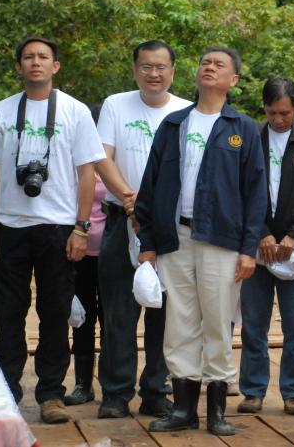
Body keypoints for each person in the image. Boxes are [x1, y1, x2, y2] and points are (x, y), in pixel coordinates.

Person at [135, 45, 266, 436]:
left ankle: (217, 411)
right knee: (180, 323)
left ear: (233, 79)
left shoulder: (242, 128)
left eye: (219, 64)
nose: (209, 67)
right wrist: (148, 240)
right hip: (176, 238)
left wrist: (248, 249)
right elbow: (150, 185)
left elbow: (256, 193)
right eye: (205, 62)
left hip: (222, 240)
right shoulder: (174, 124)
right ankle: (183, 409)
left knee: (218, 322)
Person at [0, 36, 105, 423]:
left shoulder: (74, 111)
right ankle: (7, 392)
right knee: (8, 313)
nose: (36, 62)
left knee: (55, 312)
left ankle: (51, 394)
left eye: (43, 57)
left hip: (58, 226)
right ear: (18, 66)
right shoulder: (0, 112)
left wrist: (81, 227)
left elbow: (87, 172)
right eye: (28, 57)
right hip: (9, 225)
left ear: (55, 66)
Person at [93, 41, 190, 418]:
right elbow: (102, 158)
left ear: (173, 72)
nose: (154, 74)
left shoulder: (186, 111)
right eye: (146, 66)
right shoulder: (115, 105)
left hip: (168, 226)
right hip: (122, 219)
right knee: (118, 310)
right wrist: (130, 199)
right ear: (135, 70)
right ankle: (116, 393)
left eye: (161, 67)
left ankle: (156, 390)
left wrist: (152, 208)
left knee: (164, 312)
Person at [237, 77, 294, 416]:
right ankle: (253, 389)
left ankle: (293, 391)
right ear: (264, 108)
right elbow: (242, 189)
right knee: (254, 323)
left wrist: (293, 235)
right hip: (257, 244)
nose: (278, 119)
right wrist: (260, 233)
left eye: (285, 113)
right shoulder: (251, 136)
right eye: (272, 113)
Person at [64, 104, 107, 407]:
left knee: (112, 318)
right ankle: (82, 384)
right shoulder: (73, 158)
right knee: (82, 318)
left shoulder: (113, 161)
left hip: (112, 252)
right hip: (78, 251)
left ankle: (112, 383)